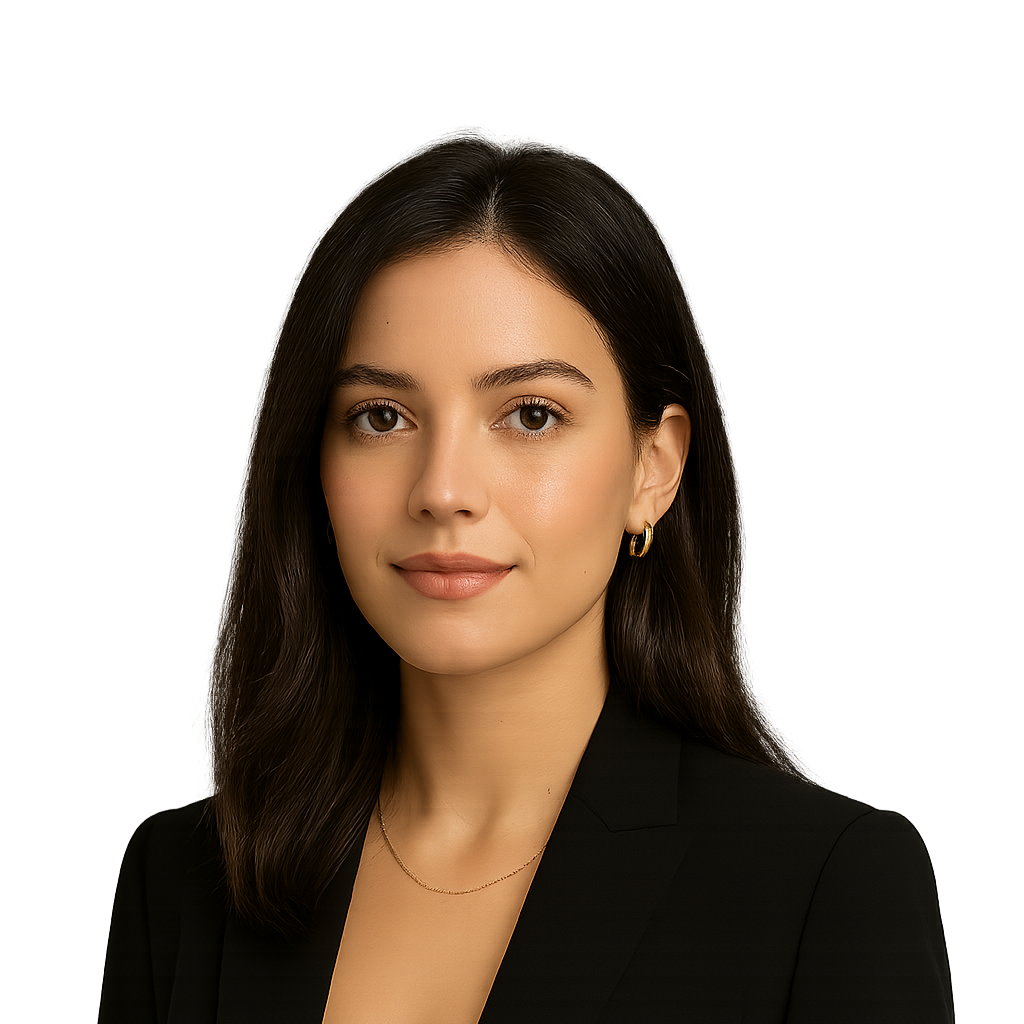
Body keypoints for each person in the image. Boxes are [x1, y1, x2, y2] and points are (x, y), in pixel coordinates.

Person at [97, 128, 954, 1023]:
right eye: (382, 416)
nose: (443, 490)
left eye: (532, 414)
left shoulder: (822, 886)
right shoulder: (184, 880)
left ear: (653, 467)